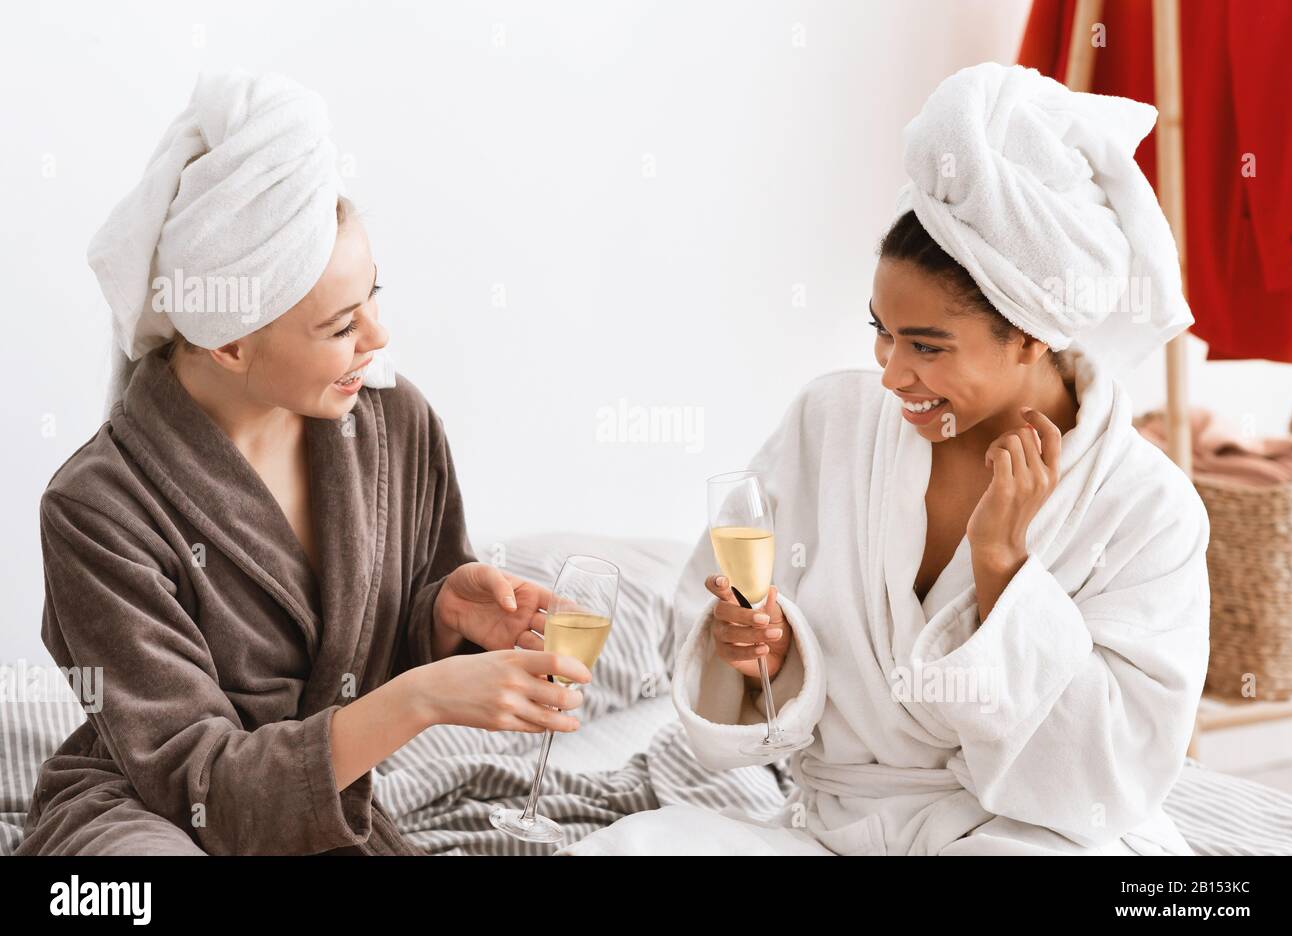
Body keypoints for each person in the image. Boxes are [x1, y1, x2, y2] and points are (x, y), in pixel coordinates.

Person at [560, 62, 1210, 856]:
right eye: (883, 332)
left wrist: (1005, 571)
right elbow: (720, 639)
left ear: (1034, 331)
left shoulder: (1147, 509)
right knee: (629, 850)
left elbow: (1115, 775)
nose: (891, 374)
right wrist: (768, 653)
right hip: (837, 830)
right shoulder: (832, 422)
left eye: (927, 346)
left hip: (1027, 837)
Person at [17, 70, 589, 856]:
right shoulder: (97, 508)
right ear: (231, 341)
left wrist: (441, 616)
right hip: (150, 818)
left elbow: (354, 663)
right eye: (341, 325)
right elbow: (200, 785)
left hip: (320, 828)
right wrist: (422, 698)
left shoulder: (394, 426)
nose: (378, 339)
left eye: (375, 297)